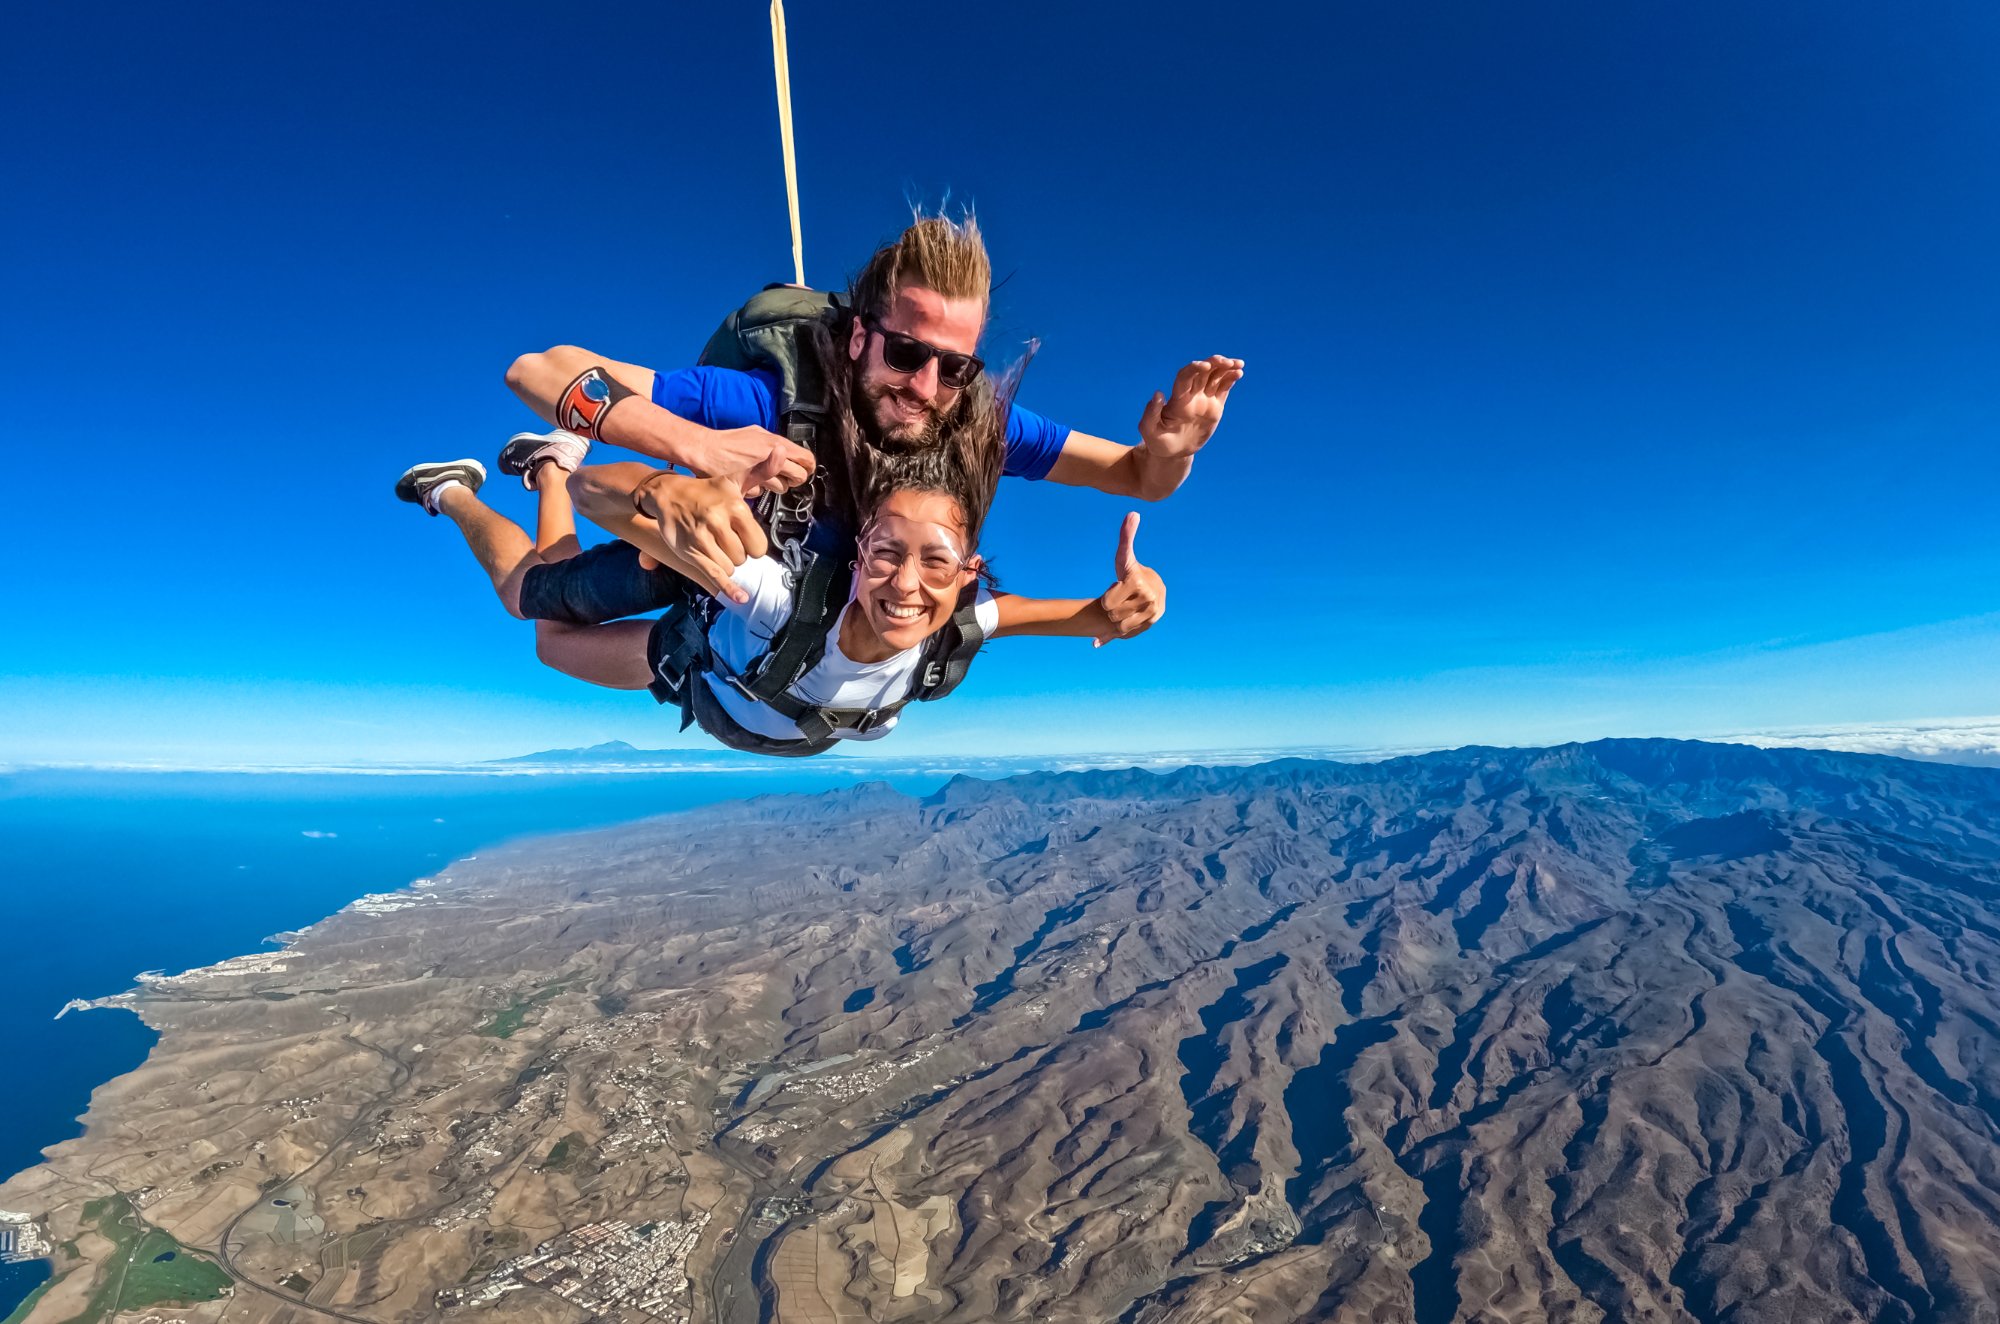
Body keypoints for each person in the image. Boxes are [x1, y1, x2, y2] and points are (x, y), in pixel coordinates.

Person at [498, 211, 1240, 623]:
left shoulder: (982, 426)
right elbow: (540, 370)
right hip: (716, 562)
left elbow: (1140, 479)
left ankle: (551, 466)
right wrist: (698, 447)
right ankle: (506, 480)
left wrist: (1172, 451)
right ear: (858, 339)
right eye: (906, 353)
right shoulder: (773, 404)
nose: (926, 386)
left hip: (793, 607)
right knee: (536, 608)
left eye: (956, 367)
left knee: (563, 641)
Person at [393, 420, 1165, 754]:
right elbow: (604, 497)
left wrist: (1124, 608)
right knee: (529, 607)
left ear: (966, 576)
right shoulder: (774, 597)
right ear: (856, 558)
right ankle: (460, 491)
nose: (905, 585)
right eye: (885, 555)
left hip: (714, 680)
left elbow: (1065, 615)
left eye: (936, 562)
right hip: (704, 647)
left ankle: (545, 468)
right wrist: (664, 487)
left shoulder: (956, 623)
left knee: (547, 641)